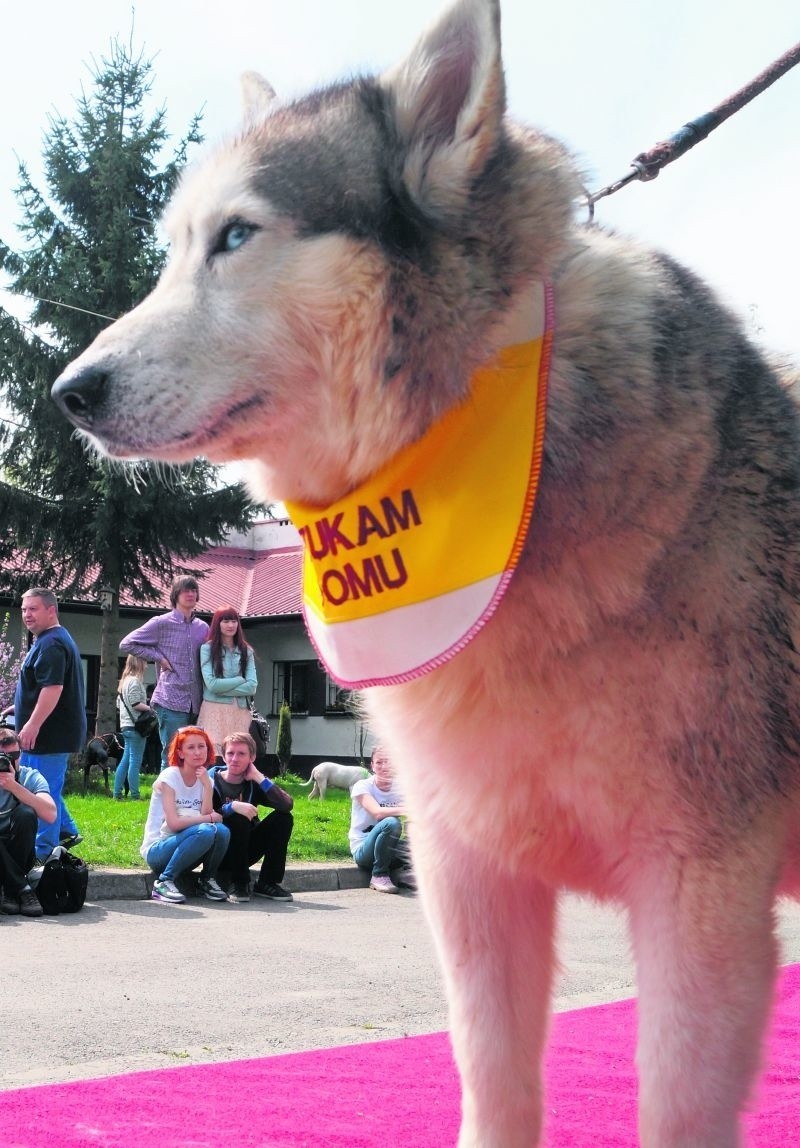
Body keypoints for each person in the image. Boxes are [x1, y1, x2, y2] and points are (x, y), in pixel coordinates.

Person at [15, 587, 86, 860]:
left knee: (43, 791)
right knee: (44, 787)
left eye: (33, 609)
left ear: (51, 610)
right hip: (48, 733)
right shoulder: (52, 638)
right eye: (23, 610)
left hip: (48, 735)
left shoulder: (51, 643)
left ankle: (43, 853)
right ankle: (66, 830)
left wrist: (32, 724)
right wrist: (19, 705)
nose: (27, 615)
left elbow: (53, 688)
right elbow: (41, 685)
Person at [119, 576, 209, 769]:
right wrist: (158, 657)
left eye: (194, 590)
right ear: (176, 595)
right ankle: (164, 799)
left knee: (194, 757)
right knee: (172, 754)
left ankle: (186, 799)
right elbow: (127, 643)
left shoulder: (203, 628)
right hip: (170, 699)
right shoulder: (161, 623)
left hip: (197, 702)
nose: (191, 594)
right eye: (186, 590)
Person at [140, 726, 230, 904]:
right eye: (191, 748)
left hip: (188, 846)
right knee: (205, 830)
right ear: (180, 753)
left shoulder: (207, 780)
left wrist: (206, 786)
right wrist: (209, 818)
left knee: (222, 831)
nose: (198, 752)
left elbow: (205, 812)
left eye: (202, 746)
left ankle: (206, 881)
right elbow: (173, 824)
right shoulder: (170, 776)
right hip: (158, 849)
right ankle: (164, 881)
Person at [210, 731, 294, 903]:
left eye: (241, 754)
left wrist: (258, 777)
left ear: (252, 757)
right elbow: (205, 815)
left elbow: (286, 805)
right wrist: (231, 807)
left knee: (284, 818)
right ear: (224, 757)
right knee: (238, 816)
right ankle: (239, 883)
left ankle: (267, 882)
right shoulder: (209, 780)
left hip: (246, 849)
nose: (235, 759)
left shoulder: (254, 782)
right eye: (230, 753)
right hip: (217, 851)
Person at [0, 728, 56, 917]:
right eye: (1, 756)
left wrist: (14, 786)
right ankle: (22, 888)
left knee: (26, 813)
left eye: (13, 755)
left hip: (19, 850)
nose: (7, 761)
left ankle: (11, 890)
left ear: (21, 754)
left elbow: (50, 814)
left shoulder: (29, 776)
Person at [349, 746, 416, 894]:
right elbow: (377, 813)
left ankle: (407, 874)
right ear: (372, 765)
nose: (384, 766)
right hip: (363, 849)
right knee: (392, 823)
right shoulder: (362, 786)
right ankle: (379, 875)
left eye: (388, 762)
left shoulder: (401, 788)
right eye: (379, 762)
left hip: (388, 847)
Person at [197, 606, 257, 760]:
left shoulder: (246, 651)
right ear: (218, 624)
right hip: (214, 710)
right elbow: (212, 685)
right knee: (213, 756)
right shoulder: (207, 649)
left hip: (240, 710)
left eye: (234, 621)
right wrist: (239, 680)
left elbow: (252, 687)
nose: (231, 625)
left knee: (238, 755)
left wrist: (221, 687)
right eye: (226, 621)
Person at [114, 655, 154, 800]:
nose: (147, 665)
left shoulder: (124, 682)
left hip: (125, 726)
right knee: (135, 762)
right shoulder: (135, 681)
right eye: (145, 662)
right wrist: (150, 708)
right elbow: (136, 703)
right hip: (136, 727)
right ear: (139, 662)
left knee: (125, 760)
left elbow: (119, 705)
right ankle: (135, 795)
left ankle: (117, 793)